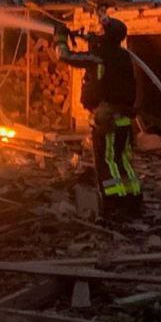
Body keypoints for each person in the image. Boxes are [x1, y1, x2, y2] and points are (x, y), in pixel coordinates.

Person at [55, 14, 142, 219]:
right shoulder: (122, 56)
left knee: (106, 161)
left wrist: (59, 39)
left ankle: (114, 203)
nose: (98, 33)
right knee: (123, 161)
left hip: (107, 119)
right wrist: (90, 39)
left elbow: (66, 57)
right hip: (122, 118)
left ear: (109, 36)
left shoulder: (100, 56)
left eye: (102, 31)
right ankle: (133, 198)